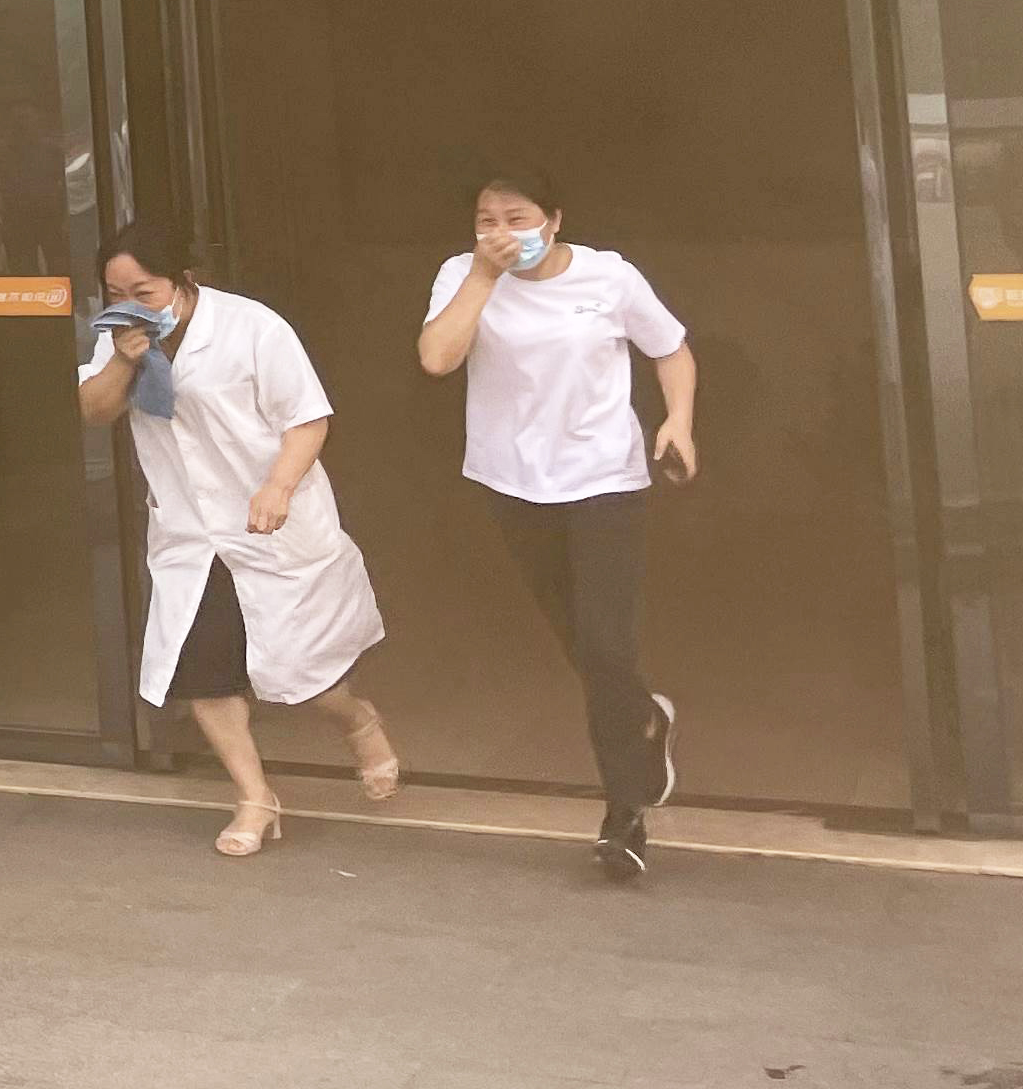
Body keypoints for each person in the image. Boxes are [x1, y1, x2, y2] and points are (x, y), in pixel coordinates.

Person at [75, 217, 396, 859]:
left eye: (144, 291)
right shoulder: (118, 336)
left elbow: (307, 419)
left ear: (182, 280)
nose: (131, 304)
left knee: (306, 675)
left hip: (266, 522)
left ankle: (359, 721)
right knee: (204, 675)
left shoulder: (253, 327)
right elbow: (95, 408)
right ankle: (255, 796)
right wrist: (124, 359)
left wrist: (278, 486)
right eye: (117, 294)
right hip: (192, 534)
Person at [417, 169, 700, 882]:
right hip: (512, 481)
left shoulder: (609, 277)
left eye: (517, 217)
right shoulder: (460, 274)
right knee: (580, 641)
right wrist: (484, 276)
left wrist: (679, 421)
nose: (501, 232)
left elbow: (670, 348)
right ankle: (644, 716)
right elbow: (437, 359)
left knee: (604, 644)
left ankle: (625, 813)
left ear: (555, 219)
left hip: (604, 477)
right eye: (486, 219)